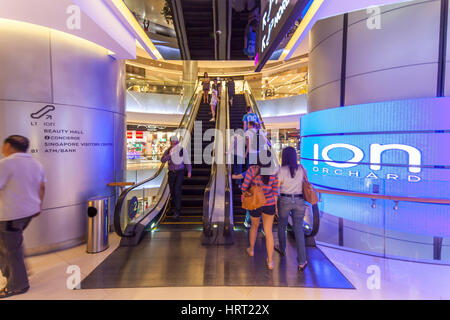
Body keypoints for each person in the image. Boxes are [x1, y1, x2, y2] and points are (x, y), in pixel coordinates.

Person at [0, 135, 46, 298]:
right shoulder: (36, 164)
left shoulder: (6, 163)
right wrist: (39, 205)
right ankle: (17, 272)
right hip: (29, 212)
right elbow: (42, 187)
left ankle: (18, 285)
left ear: (8, 146)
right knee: (11, 245)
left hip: (10, 214)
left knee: (10, 249)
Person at [241, 160, 279, 270]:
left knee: (254, 226)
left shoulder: (252, 170)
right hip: (270, 203)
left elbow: (244, 187)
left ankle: (251, 250)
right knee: (269, 232)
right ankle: (270, 261)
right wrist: (275, 207)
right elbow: (275, 192)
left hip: (255, 202)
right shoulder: (274, 172)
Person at [276, 146, 309, 271]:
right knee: (298, 230)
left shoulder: (281, 170)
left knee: (282, 225)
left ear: (284, 157)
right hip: (300, 201)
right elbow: (307, 182)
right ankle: (301, 261)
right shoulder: (301, 168)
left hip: (285, 199)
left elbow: (277, 187)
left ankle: (282, 248)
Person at [161, 136, 192, 220]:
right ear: (170, 142)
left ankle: (177, 211)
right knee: (172, 191)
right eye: (172, 141)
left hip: (180, 172)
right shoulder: (168, 151)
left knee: (177, 190)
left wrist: (189, 171)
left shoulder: (182, 150)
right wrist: (169, 155)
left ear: (177, 142)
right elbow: (163, 160)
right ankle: (174, 208)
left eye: (175, 142)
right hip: (171, 173)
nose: (173, 143)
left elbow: (187, 161)